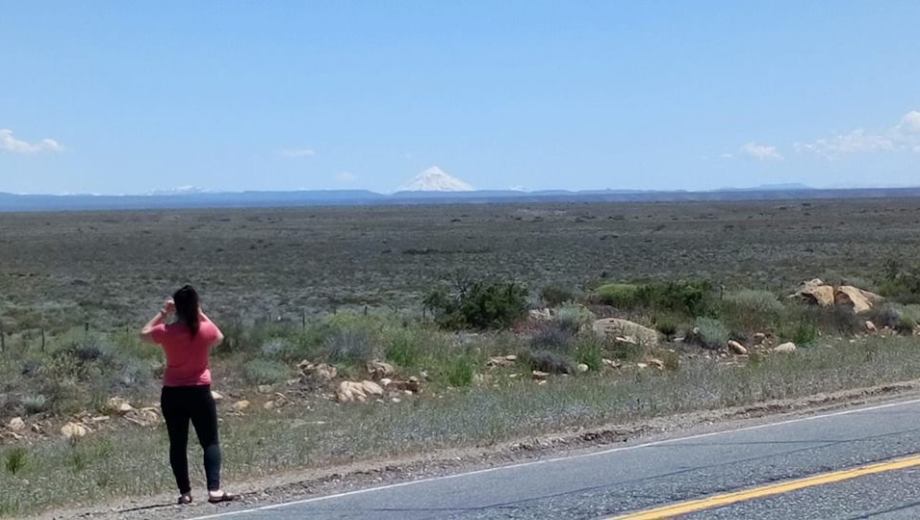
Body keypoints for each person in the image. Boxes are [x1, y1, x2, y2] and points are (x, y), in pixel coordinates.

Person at [140, 285, 235, 505]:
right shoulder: (204, 330)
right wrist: (200, 313)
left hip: (172, 393)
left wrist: (163, 313)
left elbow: (143, 334)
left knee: (178, 443)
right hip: (199, 391)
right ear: (195, 306)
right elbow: (219, 337)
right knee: (209, 441)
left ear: (177, 308)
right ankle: (214, 490)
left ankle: (185, 492)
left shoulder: (167, 331)